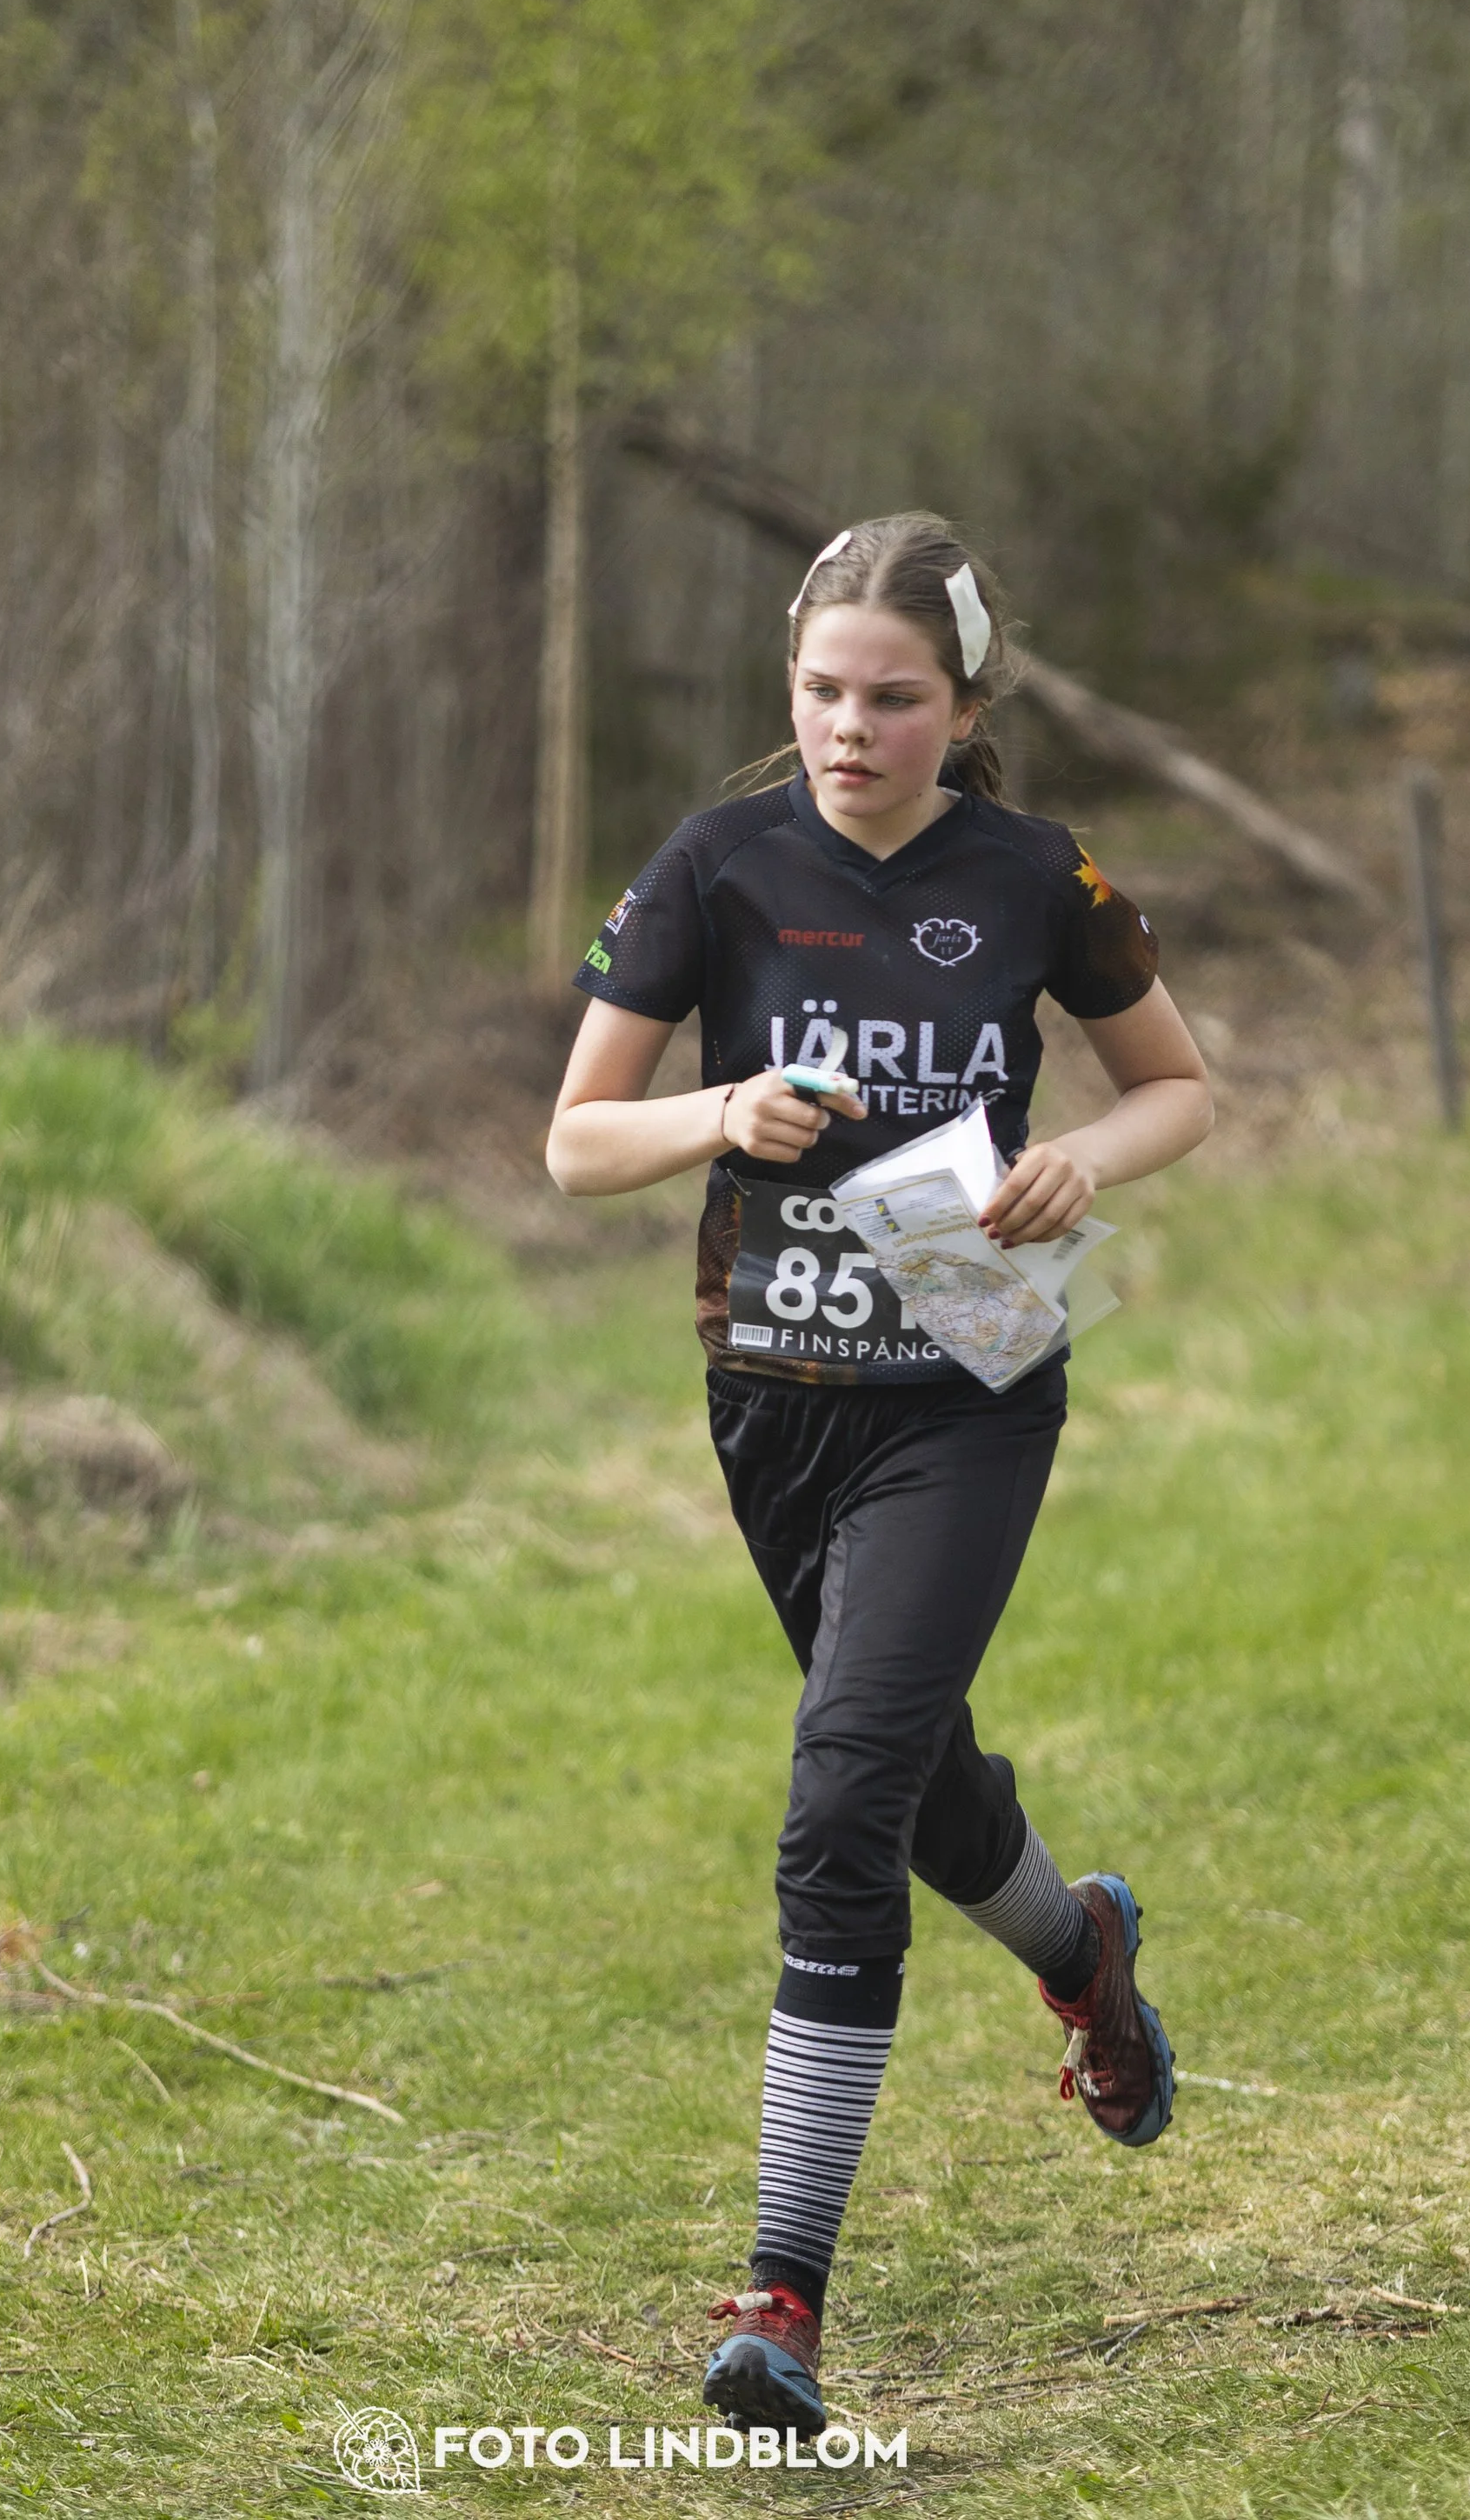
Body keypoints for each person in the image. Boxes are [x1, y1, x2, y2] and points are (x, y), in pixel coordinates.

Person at [545, 512, 1214, 2438]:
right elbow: (575, 1142)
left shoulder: (1035, 874)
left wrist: (1086, 1157)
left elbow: (1177, 1085)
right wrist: (720, 1112)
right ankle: (1082, 1952)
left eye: (894, 697)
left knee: (840, 1789)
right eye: (822, 691)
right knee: (906, 1779)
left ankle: (783, 2295)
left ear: (966, 706)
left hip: (967, 1389)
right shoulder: (715, 864)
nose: (850, 728)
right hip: (771, 1398)